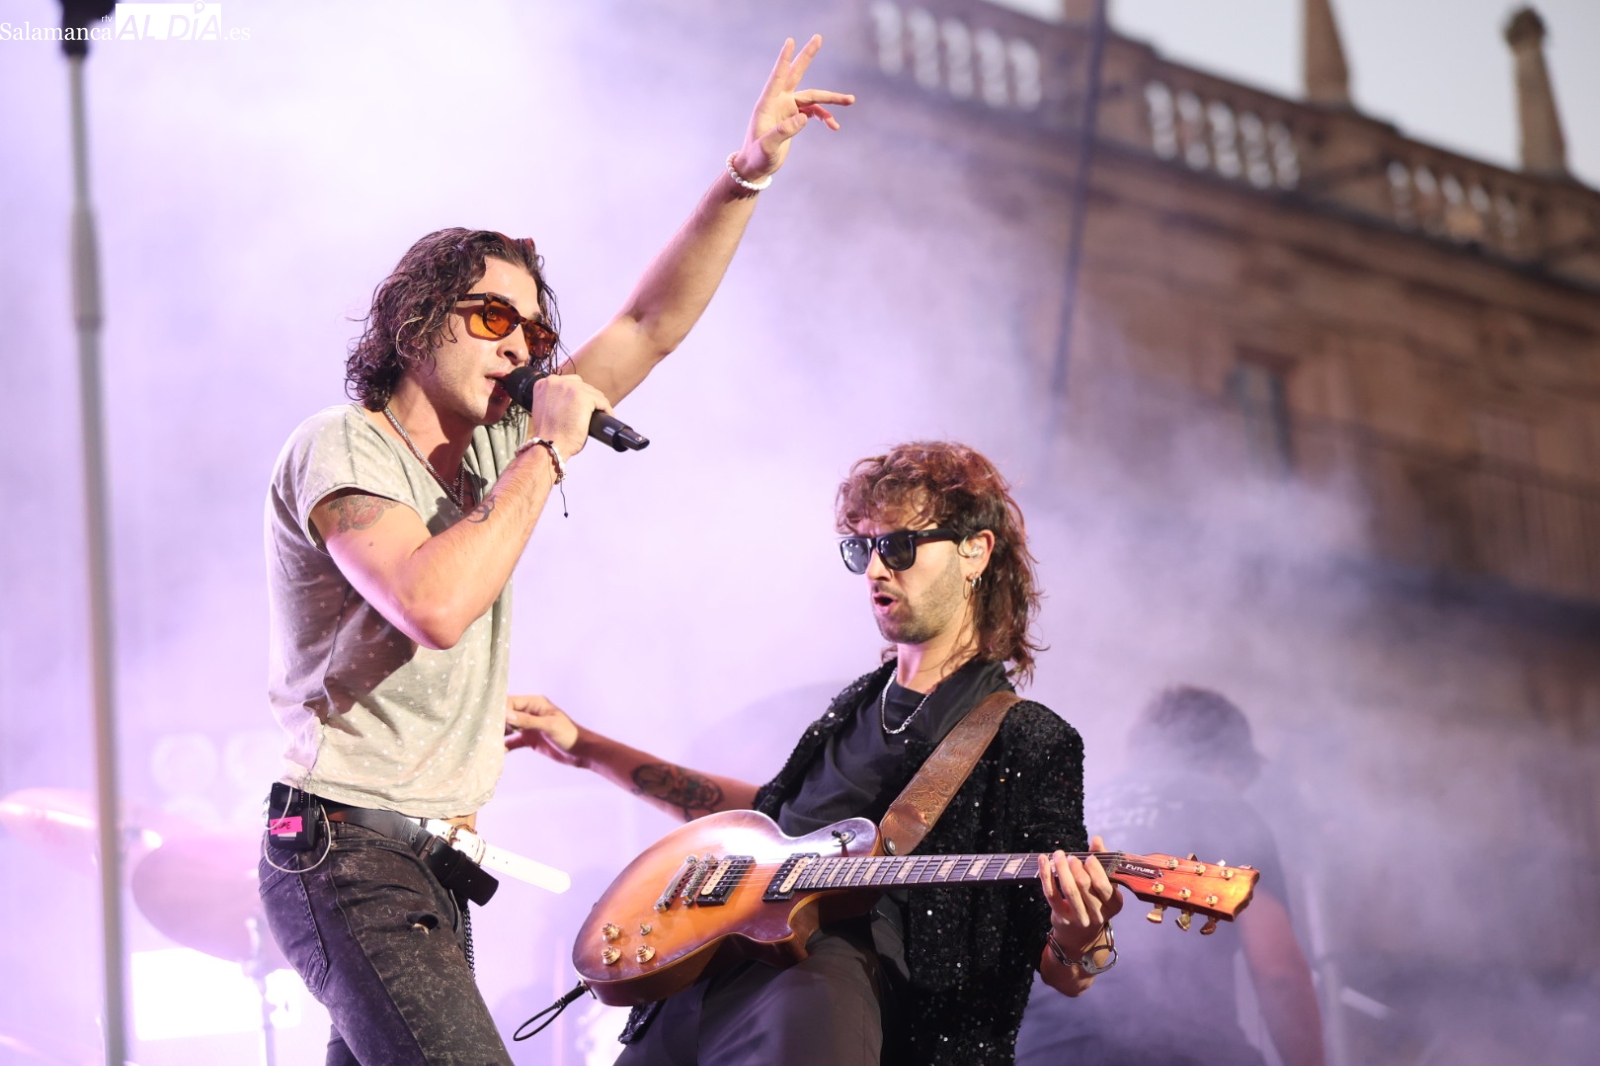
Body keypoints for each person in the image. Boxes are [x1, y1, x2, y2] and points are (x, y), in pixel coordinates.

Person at [256, 37, 854, 1066]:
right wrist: (543, 447)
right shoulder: (342, 445)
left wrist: (743, 173)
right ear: (414, 321)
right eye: (491, 315)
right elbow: (433, 603)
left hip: (431, 862)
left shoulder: (494, 447)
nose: (519, 347)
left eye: (533, 334)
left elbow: (650, 323)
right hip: (345, 851)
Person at [507, 441, 1123, 1066]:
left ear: (975, 551)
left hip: (828, 984)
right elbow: (759, 826)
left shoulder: (1028, 738)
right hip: (701, 977)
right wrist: (585, 747)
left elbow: (1071, 971)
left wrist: (1079, 932)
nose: (876, 570)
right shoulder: (857, 703)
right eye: (864, 548)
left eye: (899, 546)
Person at [1013, 685, 1325, 1066]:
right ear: (1224, 765)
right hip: (1178, 1050)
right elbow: (1279, 974)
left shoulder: (1078, 806)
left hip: (1044, 1049)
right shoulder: (1223, 804)